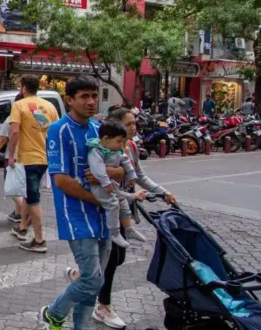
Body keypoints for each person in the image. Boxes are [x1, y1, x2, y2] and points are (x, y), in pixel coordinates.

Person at [39, 75, 126, 330]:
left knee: (94, 280)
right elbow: (61, 180)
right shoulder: (59, 130)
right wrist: (98, 199)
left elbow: (119, 167)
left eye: (94, 96)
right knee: (91, 280)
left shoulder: (98, 130)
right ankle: (54, 313)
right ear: (69, 100)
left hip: (102, 217)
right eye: (84, 96)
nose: (91, 101)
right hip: (76, 215)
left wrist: (113, 176)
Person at [86, 107, 177, 328]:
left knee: (118, 258)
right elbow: (93, 174)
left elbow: (140, 175)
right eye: (128, 124)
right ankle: (103, 306)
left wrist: (162, 192)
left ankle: (84, 275)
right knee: (112, 256)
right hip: (107, 208)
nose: (133, 127)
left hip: (127, 204)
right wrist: (114, 173)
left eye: (134, 123)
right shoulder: (104, 149)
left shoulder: (132, 146)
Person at [7, 75, 59, 253]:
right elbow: (56, 131)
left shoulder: (19, 105)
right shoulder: (49, 106)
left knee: (33, 197)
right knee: (29, 194)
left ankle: (39, 239)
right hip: (45, 157)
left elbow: (14, 132)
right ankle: (22, 228)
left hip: (29, 159)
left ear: (23, 88)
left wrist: (11, 155)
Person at [85, 120, 141, 248]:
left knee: (122, 201)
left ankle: (128, 228)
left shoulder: (115, 150)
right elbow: (97, 169)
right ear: (106, 139)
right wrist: (105, 183)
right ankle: (114, 233)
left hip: (111, 184)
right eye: (119, 141)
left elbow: (126, 161)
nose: (121, 145)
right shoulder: (96, 151)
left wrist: (132, 175)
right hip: (100, 186)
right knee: (113, 204)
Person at [0, 93, 26, 223]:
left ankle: (28, 213)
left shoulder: (12, 119)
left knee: (11, 188)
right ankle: (18, 213)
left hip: (13, 157)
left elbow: (2, 139)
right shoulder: (34, 118)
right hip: (31, 157)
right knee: (20, 187)